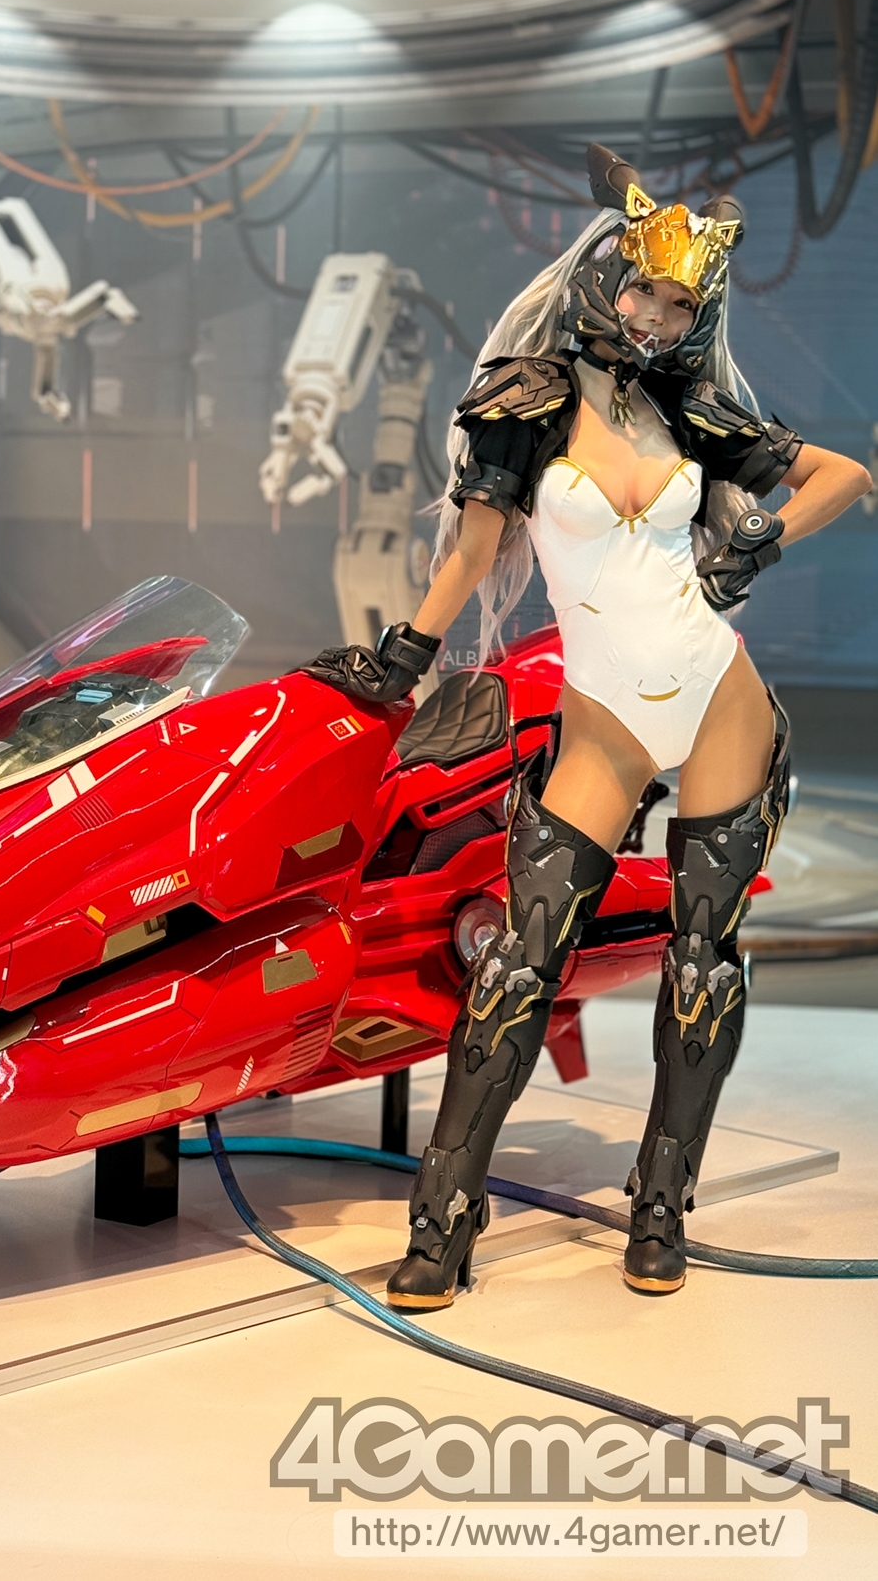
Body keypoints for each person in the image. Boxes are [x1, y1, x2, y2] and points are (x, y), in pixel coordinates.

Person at [308, 145, 871, 1307]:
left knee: (702, 964)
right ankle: (442, 1226)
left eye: (682, 305)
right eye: (648, 292)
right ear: (607, 276)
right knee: (519, 965)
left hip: (716, 694)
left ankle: (660, 1206)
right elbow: (472, 549)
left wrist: (760, 539)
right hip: (606, 714)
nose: (660, 319)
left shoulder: (689, 409)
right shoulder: (526, 396)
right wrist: (406, 654)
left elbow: (843, 475)